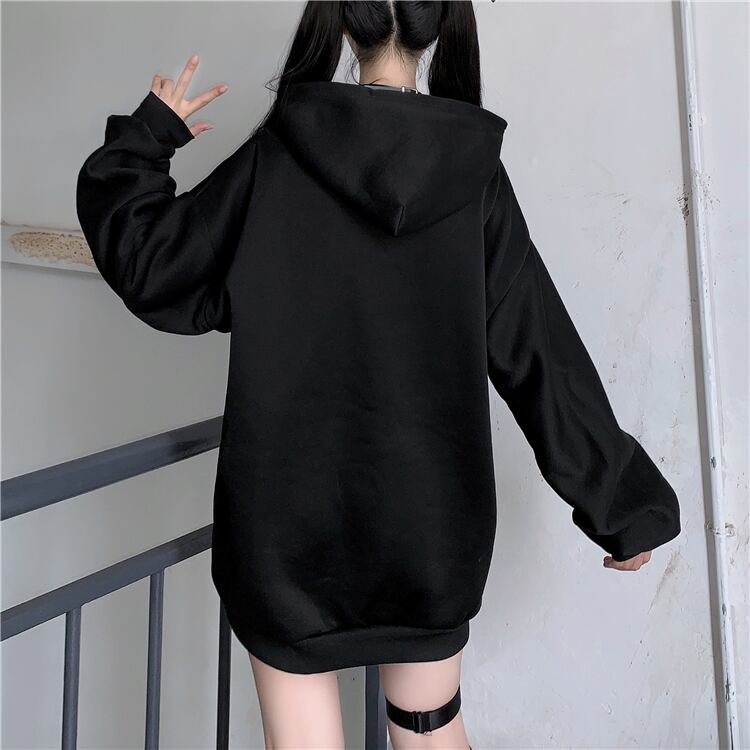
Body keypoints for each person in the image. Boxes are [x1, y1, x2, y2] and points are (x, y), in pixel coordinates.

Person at [76, 1, 681, 747]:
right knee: (429, 730)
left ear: (341, 23)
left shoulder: (279, 159)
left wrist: (146, 138)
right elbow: (538, 351)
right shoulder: (474, 173)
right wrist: (621, 504)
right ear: (441, 26)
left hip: (285, 541)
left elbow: (156, 265)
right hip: (430, 537)